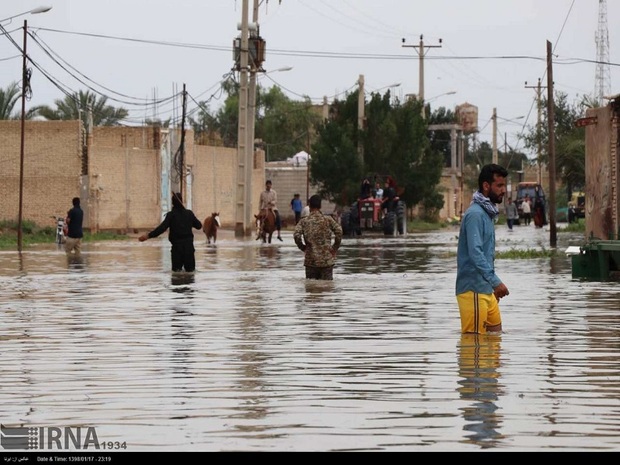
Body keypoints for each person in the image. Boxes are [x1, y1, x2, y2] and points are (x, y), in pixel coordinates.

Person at [456, 164, 510, 335]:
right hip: (473, 290)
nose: (503, 191)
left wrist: (491, 286)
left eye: (504, 186)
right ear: (486, 186)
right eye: (499, 186)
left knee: (495, 341)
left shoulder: (487, 213)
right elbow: (475, 253)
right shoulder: (475, 215)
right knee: (474, 348)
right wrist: (496, 282)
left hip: (486, 290)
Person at [138, 192, 202, 272]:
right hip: (189, 249)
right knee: (190, 273)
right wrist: (189, 218)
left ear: (172, 203)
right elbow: (199, 226)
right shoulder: (189, 214)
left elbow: (162, 228)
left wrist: (148, 236)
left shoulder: (171, 215)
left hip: (177, 249)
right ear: (182, 201)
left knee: (176, 274)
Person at [293, 194, 343, 281]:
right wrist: (334, 248)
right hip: (326, 261)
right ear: (320, 206)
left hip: (311, 262)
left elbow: (296, 235)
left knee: (311, 290)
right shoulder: (328, 219)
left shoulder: (304, 221)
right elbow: (339, 231)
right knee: (326, 289)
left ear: (309, 206)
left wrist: (303, 248)